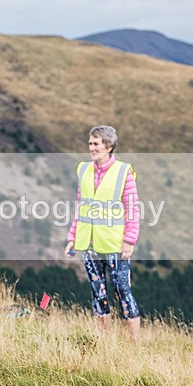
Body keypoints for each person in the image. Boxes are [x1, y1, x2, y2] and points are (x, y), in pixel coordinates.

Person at [64, 125, 141, 341]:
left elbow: (133, 208)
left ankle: (133, 342)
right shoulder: (84, 170)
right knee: (97, 292)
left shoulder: (123, 172)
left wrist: (129, 240)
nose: (91, 148)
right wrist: (72, 237)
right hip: (88, 243)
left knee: (122, 290)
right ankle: (103, 341)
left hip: (115, 244)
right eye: (90, 143)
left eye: (96, 144)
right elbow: (81, 206)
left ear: (109, 146)